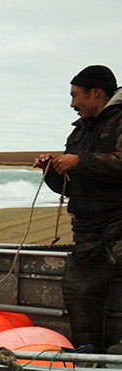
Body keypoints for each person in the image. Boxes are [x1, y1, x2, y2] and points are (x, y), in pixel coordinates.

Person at [34, 65, 122, 351]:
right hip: (87, 233)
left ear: (96, 92)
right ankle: (89, 361)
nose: (71, 104)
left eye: (75, 95)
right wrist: (53, 171)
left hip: (119, 228)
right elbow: (71, 189)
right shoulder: (78, 134)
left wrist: (78, 161)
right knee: (79, 296)